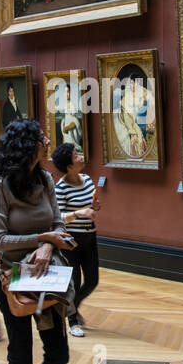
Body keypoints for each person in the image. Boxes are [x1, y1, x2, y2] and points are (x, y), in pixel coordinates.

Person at [0, 120, 75, 364]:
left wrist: (47, 242)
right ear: (27, 144)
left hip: (46, 275)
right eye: (43, 138)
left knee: (58, 353)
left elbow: (59, 223)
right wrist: (43, 238)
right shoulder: (0, 185)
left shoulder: (46, 180)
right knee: (20, 359)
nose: (49, 141)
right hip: (12, 278)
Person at [52, 142, 99, 339]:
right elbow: (58, 217)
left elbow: (91, 207)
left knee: (92, 280)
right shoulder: (61, 188)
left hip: (90, 236)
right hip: (70, 240)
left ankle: (72, 308)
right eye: (75, 155)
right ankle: (71, 321)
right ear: (69, 165)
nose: (80, 156)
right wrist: (79, 213)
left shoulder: (87, 180)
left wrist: (94, 208)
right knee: (73, 282)